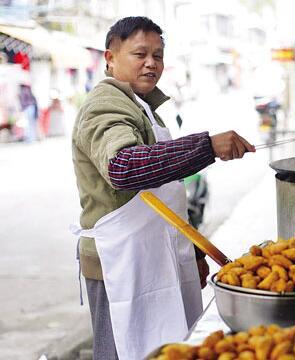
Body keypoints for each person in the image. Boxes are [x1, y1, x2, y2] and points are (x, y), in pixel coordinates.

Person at [71, 16, 255, 360]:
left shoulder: (144, 106)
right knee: (123, 351)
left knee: (166, 350)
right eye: (140, 54)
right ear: (110, 58)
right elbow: (123, 166)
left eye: (158, 55)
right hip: (121, 264)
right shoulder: (105, 103)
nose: (151, 63)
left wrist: (192, 249)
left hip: (157, 255)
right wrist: (207, 147)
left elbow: (161, 194)